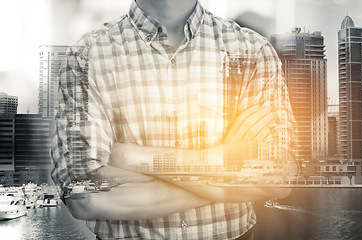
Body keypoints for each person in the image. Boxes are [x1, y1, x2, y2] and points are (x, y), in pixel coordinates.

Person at [51, 0, 295, 239]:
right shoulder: (88, 56)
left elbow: (277, 177)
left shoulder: (252, 49)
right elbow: (83, 196)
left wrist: (136, 158)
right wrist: (227, 169)